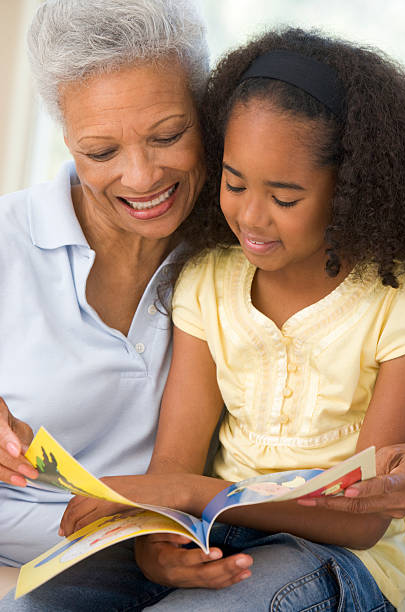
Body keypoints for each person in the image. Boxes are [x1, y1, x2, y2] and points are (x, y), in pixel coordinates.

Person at [61, 27, 405, 611]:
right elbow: (174, 460)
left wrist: (190, 494)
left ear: (348, 191)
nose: (250, 216)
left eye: (285, 198)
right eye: (234, 181)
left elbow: (362, 520)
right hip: (213, 530)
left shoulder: (392, 303)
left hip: (340, 561)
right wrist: (156, 540)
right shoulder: (210, 282)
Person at [0, 0, 256, 608]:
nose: (141, 178)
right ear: (66, 139)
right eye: (100, 152)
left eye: (167, 136)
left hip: (146, 556)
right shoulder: (9, 242)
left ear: (208, 117)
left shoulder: (242, 250)